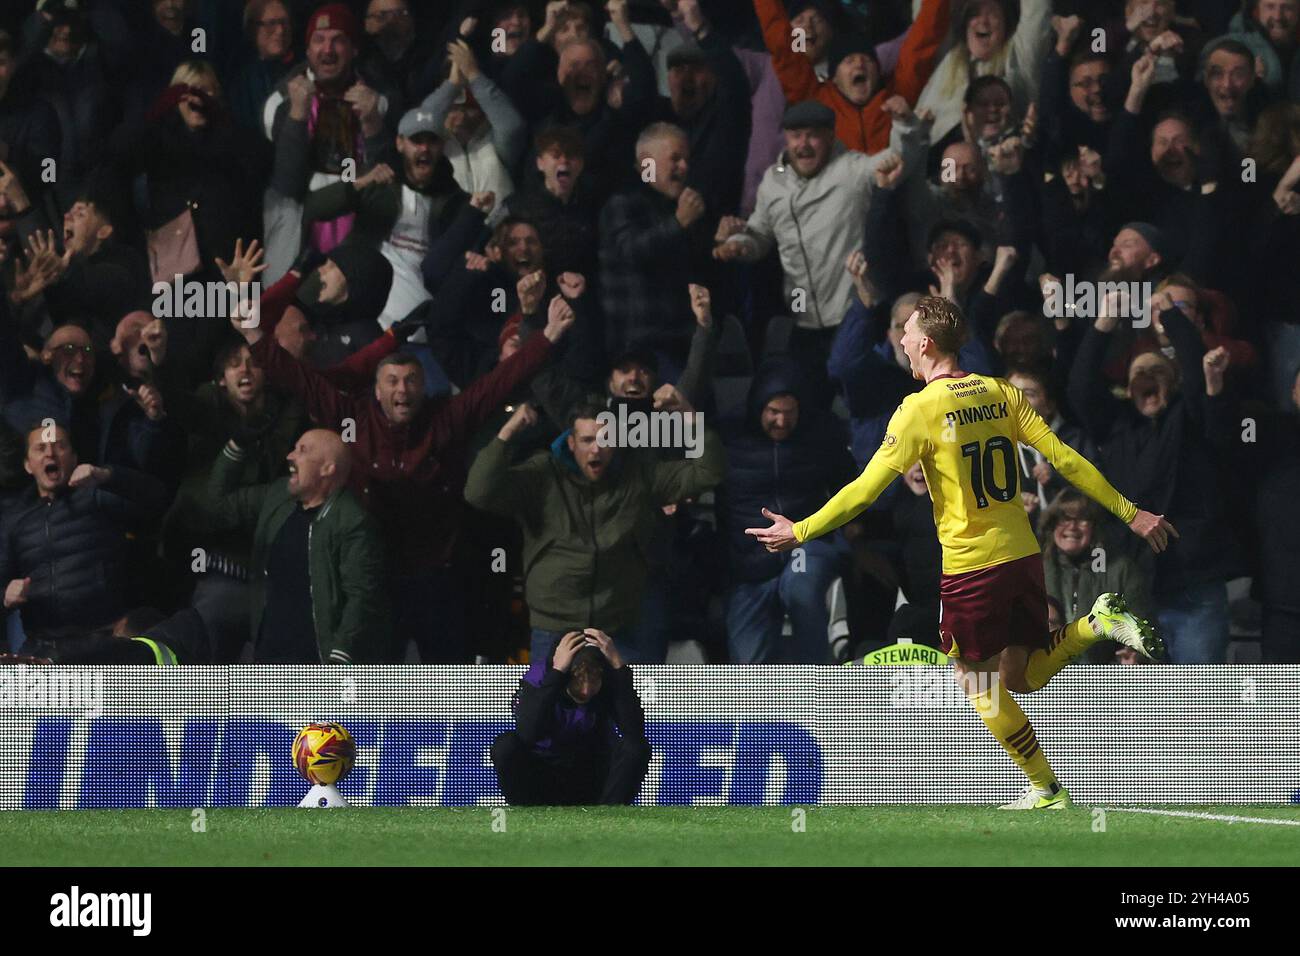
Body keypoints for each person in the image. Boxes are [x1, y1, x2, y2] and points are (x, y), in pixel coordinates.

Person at [747, 295, 1176, 810]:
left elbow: (864, 492)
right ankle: (1096, 623)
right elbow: (1066, 458)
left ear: (925, 344)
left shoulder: (918, 410)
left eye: (906, 333)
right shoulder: (1000, 392)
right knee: (1023, 677)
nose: (901, 340)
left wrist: (802, 531)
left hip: (973, 566)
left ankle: (1046, 787)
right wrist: (1132, 512)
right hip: (1022, 553)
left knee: (979, 688)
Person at [465, 396, 725, 665]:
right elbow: (479, 493)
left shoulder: (638, 474)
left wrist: (692, 420)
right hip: (554, 625)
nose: (596, 449)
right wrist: (508, 431)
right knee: (548, 705)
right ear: (571, 443)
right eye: (588, 440)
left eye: (605, 439)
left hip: (620, 624)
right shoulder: (543, 474)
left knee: (629, 705)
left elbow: (708, 473)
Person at [190, 429, 389, 664]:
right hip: (268, 656)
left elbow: (362, 597)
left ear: (328, 468)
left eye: (302, 450)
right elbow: (217, 506)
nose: (290, 456)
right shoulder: (279, 496)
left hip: (316, 663)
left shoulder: (352, 522)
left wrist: (340, 655)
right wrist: (235, 447)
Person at [491, 629, 651, 806]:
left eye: (594, 680)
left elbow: (634, 732)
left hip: (590, 776)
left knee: (636, 748)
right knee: (505, 745)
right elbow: (528, 734)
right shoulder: (539, 676)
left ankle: (608, 816)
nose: (585, 691)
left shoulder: (611, 680)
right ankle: (525, 814)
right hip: (543, 775)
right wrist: (557, 673)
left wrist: (618, 667)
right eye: (578, 680)